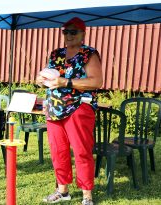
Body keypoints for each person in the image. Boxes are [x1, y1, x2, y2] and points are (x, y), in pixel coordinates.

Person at [36, 17, 103, 205]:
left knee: (82, 151)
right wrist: (40, 79)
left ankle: (87, 195)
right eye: (65, 31)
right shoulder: (56, 53)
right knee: (58, 151)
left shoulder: (89, 54)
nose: (69, 35)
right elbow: (47, 74)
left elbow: (96, 82)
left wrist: (66, 82)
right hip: (54, 108)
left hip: (78, 108)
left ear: (83, 33)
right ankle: (63, 190)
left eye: (73, 32)